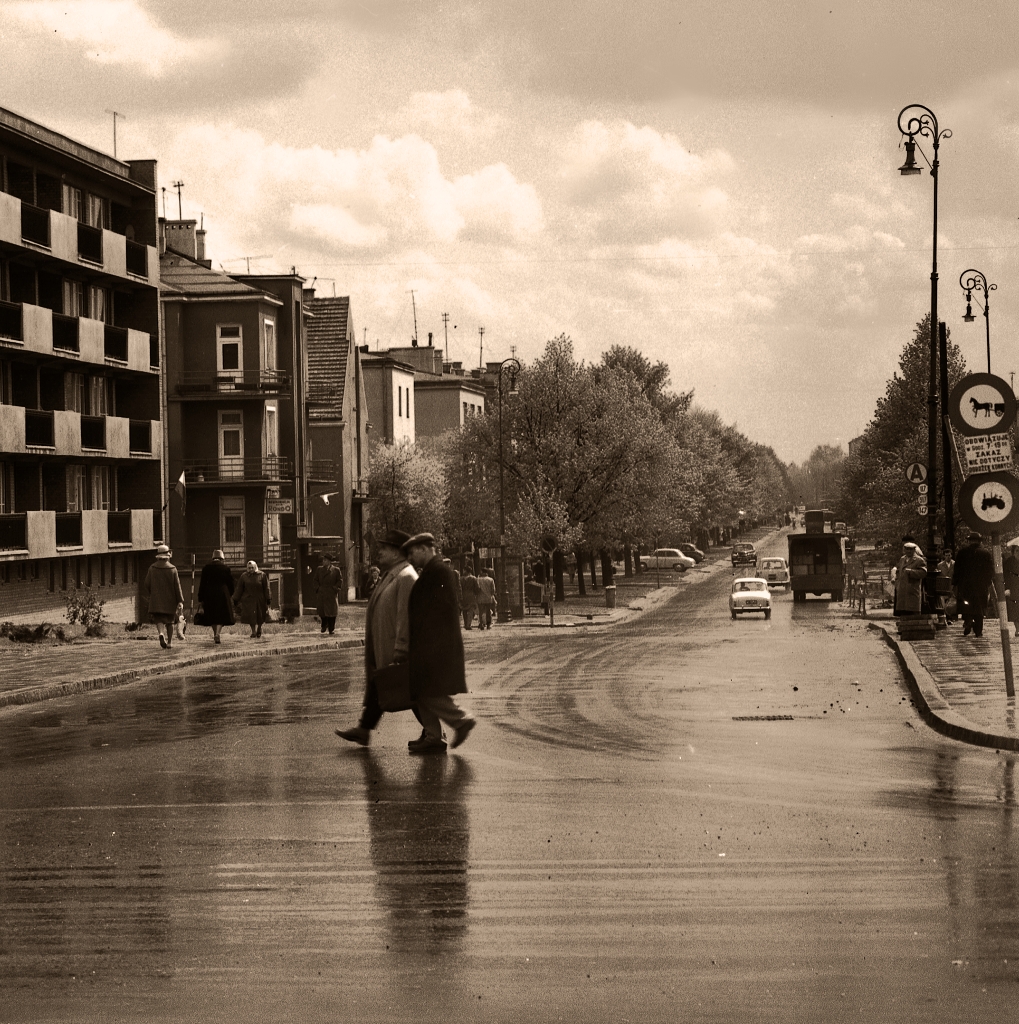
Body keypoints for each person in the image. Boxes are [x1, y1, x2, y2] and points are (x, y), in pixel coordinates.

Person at [336, 529, 418, 746]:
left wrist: (402, 646)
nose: (379, 552)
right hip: (383, 644)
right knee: (382, 687)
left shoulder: (407, 576)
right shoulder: (392, 574)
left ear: (397, 552)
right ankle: (364, 729)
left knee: (411, 693)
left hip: (394, 646)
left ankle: (436, 732)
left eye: (384, 549)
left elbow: (405, 615)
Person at [403, 533, 476, 755]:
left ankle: (461, 720)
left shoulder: (439, 572)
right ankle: (433, 736)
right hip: (429, 644)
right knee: (420, 690)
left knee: (427, 690)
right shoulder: (432, 572)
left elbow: (440, 612)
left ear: (425, 549)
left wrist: (427, 645)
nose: (411, 558)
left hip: (435, 645)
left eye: (413, 553)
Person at [953, 532, 995, 638]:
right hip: (981, 587)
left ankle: (968, 621)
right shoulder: (986, 553)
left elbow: (957, 569)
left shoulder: (962, 552)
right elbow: (990, 570)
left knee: (966, 606)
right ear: (980, 541)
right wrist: (988, 582)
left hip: (965, 586)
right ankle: (978, 631)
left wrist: (955, 583)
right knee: (979, 607)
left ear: (969, 541)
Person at [143, 544, 184, 650]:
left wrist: (152, 594)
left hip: (156, 600)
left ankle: (161, 633)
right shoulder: (173, 569)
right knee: (170, 622)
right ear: (168, 555)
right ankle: (169, 642)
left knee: (159, 619)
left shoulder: (152, 568)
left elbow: (146, 584)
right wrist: (180, 600)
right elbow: (177, 586)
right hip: (170, 600)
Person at [197, 549, 235, 644]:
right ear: (222, 558)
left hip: (209, 593)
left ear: (213, 558)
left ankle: (215, 633)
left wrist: (200, 597)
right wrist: (230, 594)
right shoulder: (226, 568)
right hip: (222, 593)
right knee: (221, 615)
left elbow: (202, 583)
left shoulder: (206, 568)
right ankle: (217, 633)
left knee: (212, 615)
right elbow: (231, 583)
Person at [233, 560, 271, 638]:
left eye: (252, 568)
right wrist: (236, 598)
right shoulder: (244, 576)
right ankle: (253, 631)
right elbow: (239, 588)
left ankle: (259, 628)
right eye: (249, 568)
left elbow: (266, 588)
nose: (250, 570)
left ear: (255, 567)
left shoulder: (262, 575)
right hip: (249, 599)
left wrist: (268, 598)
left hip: (259, 599)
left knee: (260, 615)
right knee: (251, 616)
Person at [313, 552, 344, 634]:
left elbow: (340, 581)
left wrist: (335, 588)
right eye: (323, 560)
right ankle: (323, 625)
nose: (324, 562)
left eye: (325, 560)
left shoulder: (336, 570)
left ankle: (331, 628)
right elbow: (315, 580)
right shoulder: (319, 569)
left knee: (332, 612)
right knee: (322, 611)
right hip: (322, 593)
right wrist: (318, 588)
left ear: (329, 561)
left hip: (331, 593)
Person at [893, 541, 926, 617]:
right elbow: (898, 571)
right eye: (907, 549)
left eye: (911, 549)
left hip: (912, 590)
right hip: (902, 591)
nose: (909, 551)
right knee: (903, 613)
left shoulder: (919, 560)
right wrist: (897, 582)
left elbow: (923, 573)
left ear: (914, 550)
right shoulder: (902, 559)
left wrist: (911, 572)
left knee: (913, 614)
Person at [1003, 542, 1019, 637]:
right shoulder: (1009, 562)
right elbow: (1005, 576)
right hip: (1014, 589)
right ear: (1013, 552)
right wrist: (1006, 588)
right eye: (1017, 550)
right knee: (1015, 610)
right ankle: (1018, 629)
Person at [937, 548, 957, 622]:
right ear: (944, 556)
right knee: (944, 601)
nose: (948, 557)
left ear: (951, 555)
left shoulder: (955, 564)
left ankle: (952, 617)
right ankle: (946, 617)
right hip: (944, 586)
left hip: (953, 585)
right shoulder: (940, 565)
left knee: (952, 602)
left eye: (949, 555)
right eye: (946, 555)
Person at [460, 563, 480, 630]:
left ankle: (466, 624)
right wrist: (476, 593)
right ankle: (468, 624)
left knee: (464, 610)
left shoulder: (461, 579)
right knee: (471, 611)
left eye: (464, 570)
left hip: (463, 595)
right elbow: (477, 587)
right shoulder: (473, 578)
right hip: (471, 596)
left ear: (466, 571)